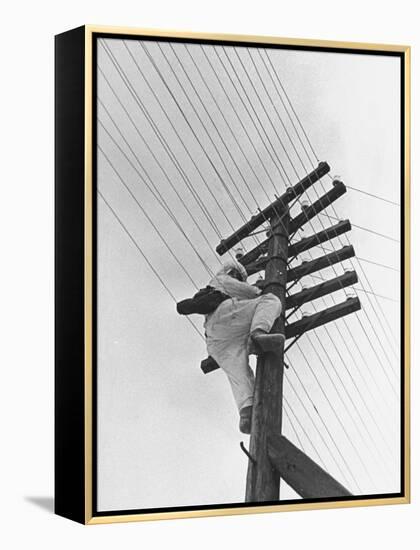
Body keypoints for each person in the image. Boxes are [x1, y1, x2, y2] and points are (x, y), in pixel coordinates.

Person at [204, 259, 284, 434]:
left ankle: (246, 412)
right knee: (270, 300)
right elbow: (251, 293)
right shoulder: (223, 279)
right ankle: (258, 333)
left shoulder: (215, 285)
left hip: (215, 341)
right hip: (226, 316)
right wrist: (261, 288)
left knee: (239, 372)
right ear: (233, 273)